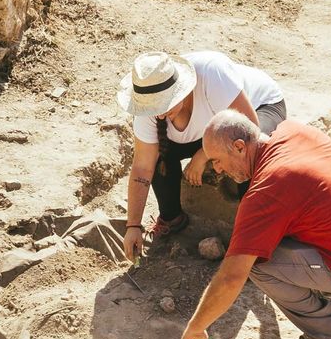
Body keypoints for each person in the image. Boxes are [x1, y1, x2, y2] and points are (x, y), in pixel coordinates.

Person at [173, 110, 331, 339]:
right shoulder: (292, 131)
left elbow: (231, 277)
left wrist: (195, 327)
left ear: (239, 147)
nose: (217, 169)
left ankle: (330, 335)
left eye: (217, 160)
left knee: (258, 265)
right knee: (288, 230)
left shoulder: (267, 189)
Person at [119, 50, 288, 262]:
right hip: (209, 129)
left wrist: (203, 155)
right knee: (158, 155)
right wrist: (133, 225)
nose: (160, 114)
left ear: (179, 90)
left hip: (258, 108)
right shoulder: (147, 107)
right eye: (155, 108)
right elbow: (143, 168)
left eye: (164, 104)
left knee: (247, 158)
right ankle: (172, 219)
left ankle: (254, 242)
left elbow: (250, 134)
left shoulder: (212, 75)